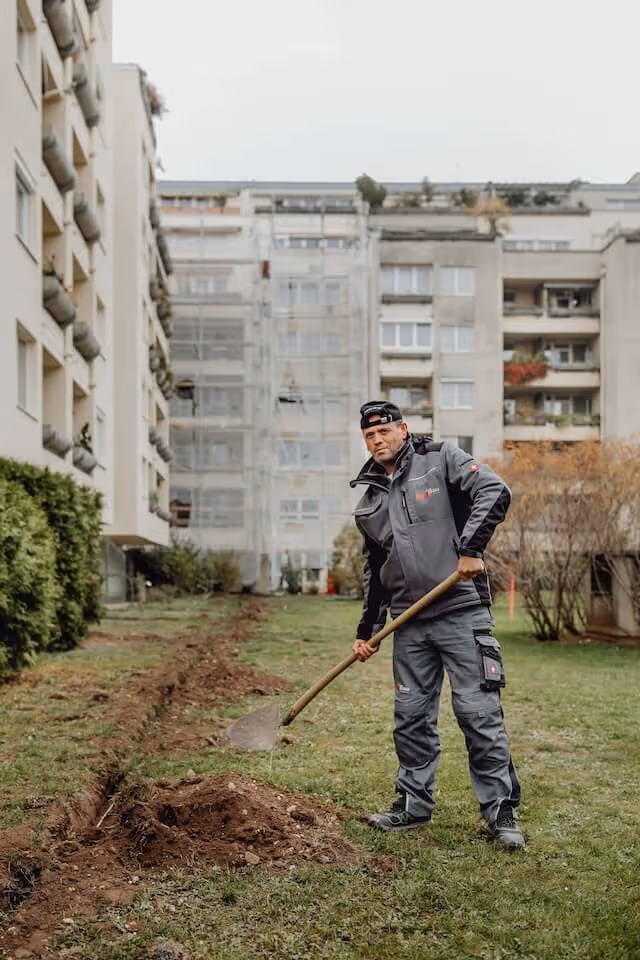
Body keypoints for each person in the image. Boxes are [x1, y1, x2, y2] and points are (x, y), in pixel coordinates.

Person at [350, 400, 523, 849]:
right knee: (410, 718)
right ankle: (412, 805)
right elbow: (375, 571)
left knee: (478, 713)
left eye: (384, 430)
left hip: (461, 610)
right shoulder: (369, 501)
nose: (377, 439)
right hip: (408, 623)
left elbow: (495, 490)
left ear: (403, 429)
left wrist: (471, 548)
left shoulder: (441, 458)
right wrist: (365, 631)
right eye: (369, 436)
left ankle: (501, 813)